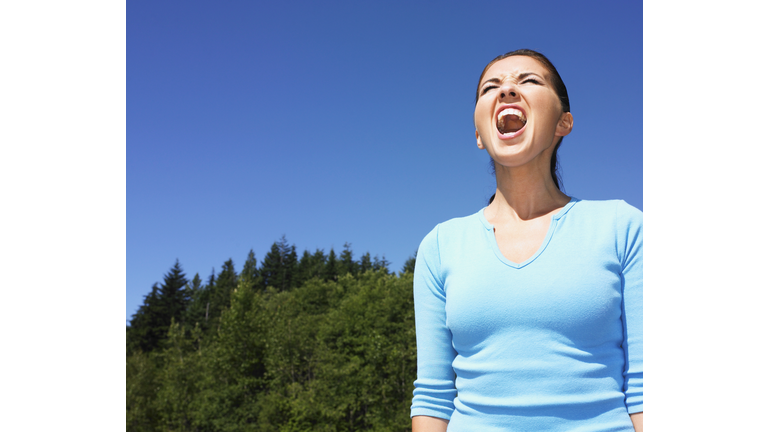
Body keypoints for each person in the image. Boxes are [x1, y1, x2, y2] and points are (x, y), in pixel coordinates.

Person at [410, 49, 643, 432]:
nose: (506, 92)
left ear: (563, 122)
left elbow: (647, 387)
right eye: (491, 87)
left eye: (529, 81)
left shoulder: (622, 227)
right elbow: (434, 397)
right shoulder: (440, 246)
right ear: (479, 135)